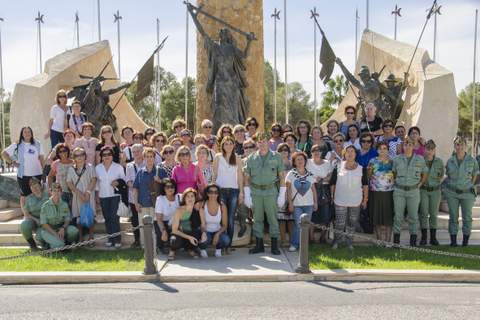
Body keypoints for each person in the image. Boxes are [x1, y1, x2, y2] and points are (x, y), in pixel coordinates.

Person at [244, 132, 286, 255]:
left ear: (268, 142)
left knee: (273, 218)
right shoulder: (251, 158)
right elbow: (247, 178)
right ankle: (259, 245)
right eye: (259, 141)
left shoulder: (276, 157)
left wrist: (282, 194)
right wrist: (247, 194)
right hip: (256, 192)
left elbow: (282, 177)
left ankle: (274, 246)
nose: (262, 144)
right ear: (256, 143)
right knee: (257, 219)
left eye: (264, 141)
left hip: (271, 191)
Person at [330, 145, 369, 250]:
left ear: (356, 154)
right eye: (348, 151)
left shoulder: (362, 168)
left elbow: (365, 185)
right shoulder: (338, 166)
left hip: (356, 200)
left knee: (352, 222)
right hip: (340, 199)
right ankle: (336, 242)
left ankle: (349, 242)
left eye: (352, 151)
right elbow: (333, 183)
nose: (350, 153)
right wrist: (332, 196)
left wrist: (365, 200)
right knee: (340, 222)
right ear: (344, 154)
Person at [392, 137, 428, 246]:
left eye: (410, 145)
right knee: (398, 216)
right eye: (406, 144)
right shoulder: (397, 159)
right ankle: (396, 242)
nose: (408, 147)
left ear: (413, 146)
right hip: (399, 191)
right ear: (403, 146)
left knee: (413, 217)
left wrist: (420, 184)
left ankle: (413, 242)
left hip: (413, 191)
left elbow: (425, 173)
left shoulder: (420, 159)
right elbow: (394, 173)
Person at [444, 136, 479, 247]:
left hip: (467, 193)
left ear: (466, 146)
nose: (459, 147)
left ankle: (465, 242)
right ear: (454, 146)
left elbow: (475, 174)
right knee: (453, 217)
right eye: (457, 145)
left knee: (467, 217)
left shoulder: (472, 160)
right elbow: (448, 175)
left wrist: (470, 184)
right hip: (452, 193)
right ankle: (453, 241)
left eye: (462, 145)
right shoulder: (450, 161)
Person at [212, 136, 243, 251]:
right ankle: (220, 243)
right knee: (221, 218)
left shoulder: (237, 158)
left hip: (234, 191)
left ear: (233, 145)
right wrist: (212, 189)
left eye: (230, 143)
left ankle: (228, 245)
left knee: (230, 219)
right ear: (222, 145)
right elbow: (214, 175)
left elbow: (240, 176)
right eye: (226, 144)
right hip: (220, 191)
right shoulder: (218, 157)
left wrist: (241, 193)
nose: (228, 146)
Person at [2, 127, 44, 205]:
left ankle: (37, 213)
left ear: (31, 133)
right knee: (24, 196)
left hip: (37, 174)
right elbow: (4, 153)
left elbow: (41, 158)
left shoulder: (37, 144)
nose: (27, 133)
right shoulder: (17, 144)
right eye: (25, 132)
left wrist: (44, 172)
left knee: (39, 194)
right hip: (23, 175)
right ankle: (26, 215)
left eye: (29, 132)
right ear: (22, 134)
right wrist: (12, 162)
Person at [95, 146, 126, 248]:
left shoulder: (118, 167)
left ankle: (117, 239)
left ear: (112, 156)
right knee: (107, 218)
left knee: (114, 217)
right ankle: (110, 238)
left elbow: (124, 181)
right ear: (101, 157)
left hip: (115, 196)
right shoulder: (98, 168)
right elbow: (97, 184)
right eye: (104, 155)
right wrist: (97, 197)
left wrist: (117, 182)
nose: (107, 156)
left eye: (109, 154)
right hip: (103, 196)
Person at [286, 152, 317, 252]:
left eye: (302, 159)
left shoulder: (310, 174)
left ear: (305, 161)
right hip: (296, 204)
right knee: (298, 224)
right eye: (297, 159)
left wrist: (315, 202)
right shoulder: (291, 174)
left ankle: (303, 245)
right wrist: (290, 203)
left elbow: (313, 189)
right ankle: (294, 244)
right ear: (294, 162)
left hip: (309, 204)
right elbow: (288, 189)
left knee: (306, 225)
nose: (300, 161)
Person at [66, 147, 97, 244]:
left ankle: (91, 237)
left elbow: (93, 180)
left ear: (85, 156)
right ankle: (80, 238)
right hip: (77, 196)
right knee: (78, 216)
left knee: (90, 215)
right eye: (77, 155)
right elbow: (69, 183)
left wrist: (87, 193)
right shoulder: (71, 169)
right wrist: (79, 193)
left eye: (81, 155)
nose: (79, 157)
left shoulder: (90, 167)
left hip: (89, 195)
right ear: (74, 157)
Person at [38, 183, 79, 249]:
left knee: (74, 231)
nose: (56, 193)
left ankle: (67, 243)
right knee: (60, 245)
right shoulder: (45, 206)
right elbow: (44, 224)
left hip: (61, 228)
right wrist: (55, 234)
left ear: (61, 192)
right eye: (54, 191)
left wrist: (63, 228)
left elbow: (67, 219)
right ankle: (52, 244)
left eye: (58, 191)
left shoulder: (64, 204)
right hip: (49, 230)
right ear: (50, 192)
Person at [367, 141, 394, 242]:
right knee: (376, 216)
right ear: (377, 150)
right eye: (380, 148)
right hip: (375, 192)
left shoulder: (392, 161)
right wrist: (369, 172)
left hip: (389, 192)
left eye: (384, 148)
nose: (382, 150)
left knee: (388, 217)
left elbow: (395, 175)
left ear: (388, 150)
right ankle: (379, 239)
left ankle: (388, 240)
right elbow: (368, 177)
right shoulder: (372, 161)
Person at [419, 140, 444, 246]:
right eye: (428, 149)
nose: (429, 151)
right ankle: (424, 238)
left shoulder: (439, 162)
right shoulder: (420, 161)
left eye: (432, 149)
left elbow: (441, 175)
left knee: (434, 214)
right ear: (424, 149)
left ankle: (433, 238)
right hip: (423, 190)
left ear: (434, 150)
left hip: (435, 191)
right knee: (424, 213)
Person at [133, 147, 159, 248]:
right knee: (143, 227)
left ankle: (155, 246)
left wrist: (159, 180)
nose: (149, 159)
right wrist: (136, 203)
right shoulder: (140, 172)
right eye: (147, 156)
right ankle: (145, 247)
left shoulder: (159, 171)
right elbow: (135, 189)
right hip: (142, 203)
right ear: (144, 158)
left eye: (151, 156)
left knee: (154, 227)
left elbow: (165, 186)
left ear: (154, 158)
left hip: (155, 204)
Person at [307, 144, 333, 244]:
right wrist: (316, 179)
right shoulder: (308, 162)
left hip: (324, 190)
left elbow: (330, 176)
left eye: (319, 150)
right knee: (311, 214)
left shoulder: (327, 163)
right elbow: (305, 174)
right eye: (314, 150)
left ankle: (323, 237)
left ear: (322, 152)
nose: (316, 152)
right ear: (311, 152)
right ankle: (311, 238)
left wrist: (321, 179)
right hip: (311, 189)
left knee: (326, 215)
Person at [169, 188, 202, 260]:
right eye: (188, 196)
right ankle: (172, 250)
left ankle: (190, 249)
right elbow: (174, 230)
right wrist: (189, 238)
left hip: (190, 232)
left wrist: (204, 233)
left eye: (192, 196)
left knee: (197, 234)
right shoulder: (179, 210)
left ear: (195, 198)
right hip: (179, 234)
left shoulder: (197, 208)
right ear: (184, 198)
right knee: (174, 240)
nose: (190, 198)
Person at [199, 184, 230, 258]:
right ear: (207, 193)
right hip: (206, 231)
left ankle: (218, 249)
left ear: (218, 194)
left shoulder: (222, 206)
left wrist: (217, 234)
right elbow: (203, 224)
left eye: (216, 192)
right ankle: (202, 249)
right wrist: (203, 232)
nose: (213, 194)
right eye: (211, 192)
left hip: (217, 230)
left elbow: (225, 225)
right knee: (204, 239)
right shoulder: (203, 205)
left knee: (226, 240)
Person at [20, 178, 49, 250]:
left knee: (39, 236)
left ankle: (45, 244)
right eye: (32, 187)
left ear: (40, 186)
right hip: (35, 221)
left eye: (36, 186)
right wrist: (35, 220)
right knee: (24, 225)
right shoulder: (29, 198)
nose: (34, 189)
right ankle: (32, 245)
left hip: (47, 222)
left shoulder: (48, 195)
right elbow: (26, 213)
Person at [125, 144, 144, 248]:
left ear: (142, 152)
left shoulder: (147, 163)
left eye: (138, 151)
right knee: (135, 220)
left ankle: (146, 240)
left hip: (145, 197)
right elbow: (128, 181)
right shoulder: (129, 166)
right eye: (134, 152)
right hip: (133, 197)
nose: (136, 154)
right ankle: (137, 240)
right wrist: (136, 187)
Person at [155, 178, 180, 254]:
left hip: (175, 222)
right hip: (162, 222)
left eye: (172, 186)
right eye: (167, 187)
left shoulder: (179, 197)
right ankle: (161, 246)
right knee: (163, 234)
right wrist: (163, 230)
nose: (170, 189)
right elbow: (159, 219)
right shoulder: (160, 199)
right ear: (163, 188)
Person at [276, 143, 293, 246]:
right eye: (281, 150)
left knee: (291, 218)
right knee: (281, 218)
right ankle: (283, 240)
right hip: (279, 192)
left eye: (286, 149)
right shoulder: (275, 163)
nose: (284, 151)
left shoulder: (292, 163)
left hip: (291, 193)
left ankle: (292, 241)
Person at [48, 143, 74, 209]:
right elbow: (50, 176)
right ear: (58, 153)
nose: (63, 153)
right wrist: (52, 189)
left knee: (74, 212)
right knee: (63, 211)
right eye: (60, 151)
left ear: (68, 151)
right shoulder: (56, 163)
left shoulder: (74, 163)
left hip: (73, 191)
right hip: (61, 192)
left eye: (64, 150)